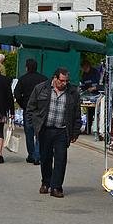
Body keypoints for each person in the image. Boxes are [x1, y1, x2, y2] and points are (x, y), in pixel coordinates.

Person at [26, 68, 81, 198]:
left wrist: (75, 132)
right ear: (55, 78)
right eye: (62, 81)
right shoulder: (41, 88)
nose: (64, 84)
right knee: (45, 158)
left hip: (62, 130)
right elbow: (31, 108)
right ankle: (46, 183)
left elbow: (76, 114)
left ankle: (56, 187)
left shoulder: (73, 92)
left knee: (61, 159)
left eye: (67, 81)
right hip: (45, 129)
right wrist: (34, 125)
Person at [14, 58, 47, 165]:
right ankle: (38, 155)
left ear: (27, 67)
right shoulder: (43, 79)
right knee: (40, 133)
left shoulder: (23, 79)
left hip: (28, 109)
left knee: (29, 133)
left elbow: (17, 94)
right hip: (41, 110)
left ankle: (31, 155)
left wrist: (23, 105)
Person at [79, 60, 101, 134]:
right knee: (89, 112)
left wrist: (94, 88)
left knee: (95, 112)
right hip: (88, 95)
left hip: (97, 95)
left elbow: (100, 84)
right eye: (83, 69)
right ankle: (87, 129)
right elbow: (83, 84)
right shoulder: (84, 74)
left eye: (84, 68)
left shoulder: (95, 72)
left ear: (88, 66)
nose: (84, 70)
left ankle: (97, 130)